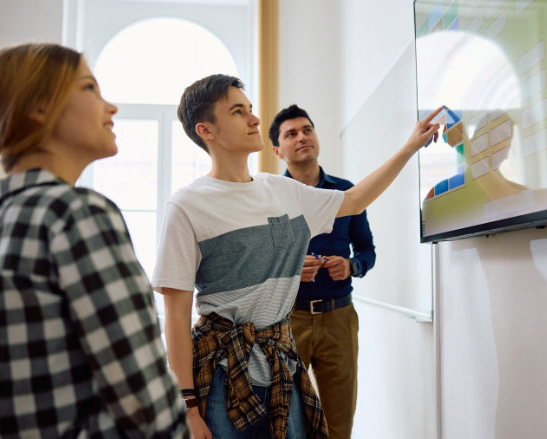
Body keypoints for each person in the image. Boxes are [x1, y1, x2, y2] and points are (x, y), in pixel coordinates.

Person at [153, 73, 440, 439]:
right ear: (205, 130)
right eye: (238, 111)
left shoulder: (279, 189)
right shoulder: (186, 205)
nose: (255, 119)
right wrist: (188, 406)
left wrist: (409, 148)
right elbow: (176, 316)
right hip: (223, 369)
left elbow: (354, 200)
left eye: (250, 108)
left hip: (280, 362)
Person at [0, 43, 189, 438]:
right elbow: (144, 397)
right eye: (89, 88)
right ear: (39, 107)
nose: (110, 107)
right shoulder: (76, 214)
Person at [269, 104, 374, 439]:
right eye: (291, 134)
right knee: (284, 421)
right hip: (287, 320)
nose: (302, 137)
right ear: (277, 150)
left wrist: (352, 265)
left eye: (307, 130)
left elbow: (367, 250)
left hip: (338, 320)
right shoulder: (270, 197)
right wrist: (290, 269)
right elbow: (262, 262)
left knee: (339, 422)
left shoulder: (346, 193)